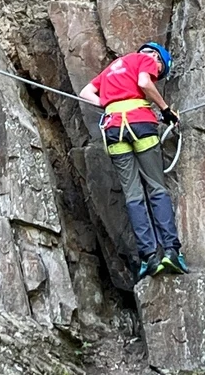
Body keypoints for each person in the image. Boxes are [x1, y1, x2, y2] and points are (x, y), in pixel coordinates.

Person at [79, 42, 187, 280]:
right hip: (140, 125)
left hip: (113, 129)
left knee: (133, 194)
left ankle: (149, 257)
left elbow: (86, 92)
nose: (157, 73)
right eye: (160, 70)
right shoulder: (146, 59)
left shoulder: (113, 67)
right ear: (157, 57)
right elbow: (144, 83)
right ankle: (171, 251)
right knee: (156, 188)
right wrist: (165, 110)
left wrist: (111, 104)